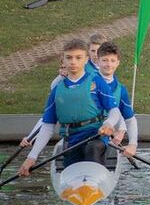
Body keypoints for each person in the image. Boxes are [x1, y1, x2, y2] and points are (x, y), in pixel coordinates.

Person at [18, 39, 121, 177]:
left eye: (78, 58)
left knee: (93, 148)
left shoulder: (97, 82)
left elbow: (115, 111)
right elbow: (48, 126)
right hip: (71, 139)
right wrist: (32, 157)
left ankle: (95, 180)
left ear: (86, 59)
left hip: (96, 135)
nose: (73, 62)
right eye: (69, 57)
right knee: (73, 170)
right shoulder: (56, 90)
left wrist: (109, 123)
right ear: (63, 60)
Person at [96, 42, 138, 157]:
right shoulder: (88, 82)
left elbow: (130, 120)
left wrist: (132, 144)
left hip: (104, 136)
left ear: (118, 63)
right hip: (85, 133)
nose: (109, 64)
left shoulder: (121, 90)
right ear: (98, 61)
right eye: (104, 60)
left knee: (96, 147)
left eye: (112, 61)